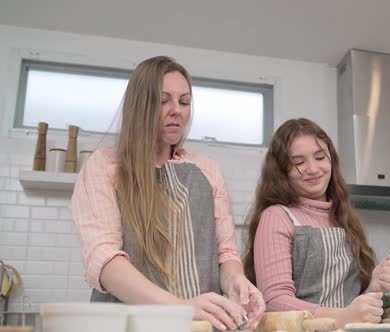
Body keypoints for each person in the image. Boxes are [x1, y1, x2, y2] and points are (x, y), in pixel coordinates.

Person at [71, 56, 264, 331]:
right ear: (140, 104)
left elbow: (226, 253)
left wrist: (236, 283)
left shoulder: (207, 171)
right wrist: (181, 309)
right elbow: (106, 261)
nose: (177, 111)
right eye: (164, 100)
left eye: (184, 102)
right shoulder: (104, 166)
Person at [242, 118, 390, 327]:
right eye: (298, 162)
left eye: (319, 157)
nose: (313, 169)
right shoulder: (277, 217)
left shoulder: (345, 218)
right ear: (281, 171)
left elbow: (349, 307)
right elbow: (274, 301)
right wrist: (343, 317)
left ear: (331, 160)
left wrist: (373, 288)